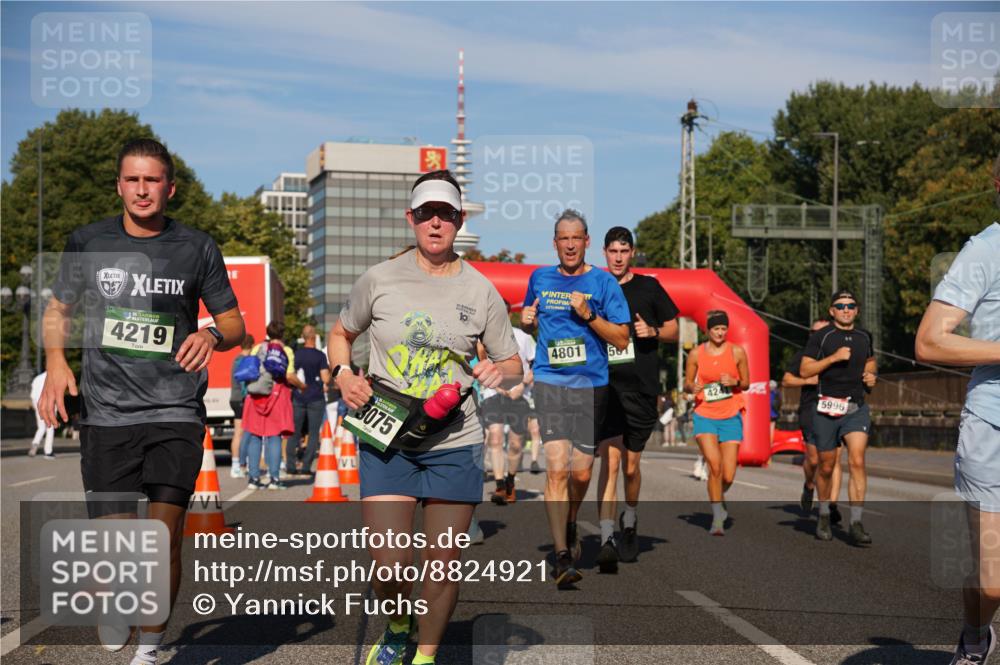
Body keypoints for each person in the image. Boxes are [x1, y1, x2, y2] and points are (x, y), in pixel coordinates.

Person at [38, 138, 245, 665]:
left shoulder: (197, 247)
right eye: (132, 179)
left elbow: (234, 324)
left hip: (174, 409)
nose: (142, 189)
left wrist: (212, 337)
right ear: (119, 186)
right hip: (107, 413)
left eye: (152, 180)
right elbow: (57, 309)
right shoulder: (87, 241)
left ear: (169, 188)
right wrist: (58, 363)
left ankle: (150, 650)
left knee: (161, 539)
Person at [329, 169, 521, 665]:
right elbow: (340, 334)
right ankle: (397, 624)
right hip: (386, 434)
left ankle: (424, 656)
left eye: (447, 214)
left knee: (440, 567)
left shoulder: (481, 290)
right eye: (426, 214)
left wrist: (495, 370)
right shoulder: (380, 278)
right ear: (410, 218)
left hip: (455, 441)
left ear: (459, 221)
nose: (436, 223)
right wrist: (343, 375)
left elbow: (513, 363)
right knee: (389, 565)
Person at [915, 152, 1000, 665]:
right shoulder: (985, 251)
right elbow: (929, 342)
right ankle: (975, 633)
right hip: (993, 425)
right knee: (993, 586)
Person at [520, 209, 630, 588]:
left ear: (586, 241)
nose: (570, 244)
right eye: (563, 238)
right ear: (555, 243)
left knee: (581, 472)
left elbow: (621, 339)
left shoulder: (603, 284)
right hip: (550, 381)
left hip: (591, 385)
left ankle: (570, 519)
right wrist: (528, 322)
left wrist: (588, 317)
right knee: (555, 468)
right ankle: (562, 554)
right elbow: (530, 319)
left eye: (576, 237)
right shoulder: (539, 277)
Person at [595, 226, 679, 572]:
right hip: (605, 386)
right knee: (610, 463)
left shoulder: (649, 287)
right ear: (604, 253)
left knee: (631, 467)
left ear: (632, 253)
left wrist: (653, 331)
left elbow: (676, 329)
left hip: (641, 389)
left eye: (623, 251)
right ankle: (606, 537)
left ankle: (630, 516)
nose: (617, 257)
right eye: (612, 251)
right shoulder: (594, 287)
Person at [800, 291, 877, 545]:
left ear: (856, 310)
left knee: (857, 461)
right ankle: (823, 514)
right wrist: (833, 358)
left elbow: (871, 361)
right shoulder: (822, 337)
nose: (846, 309)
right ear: (832, 311)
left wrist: (870, 375)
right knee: (826, 466)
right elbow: (805, 369)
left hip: (856, 408)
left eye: (851, 305)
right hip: (826, 408)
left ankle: (856, 522)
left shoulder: (864, 336)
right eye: (840, 306)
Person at [684, 310, 750, 536]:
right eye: (716, 329)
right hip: (705, 414)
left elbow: (747, 383)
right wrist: (692, 387)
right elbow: (686, 383)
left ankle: (718, 497)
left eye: (723, 329)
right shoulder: (696, 354)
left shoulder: (737, 352)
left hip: (730, 414)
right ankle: (717, 517)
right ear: (708, 330)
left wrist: (734, 381)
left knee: (728, 475)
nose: (720, 333)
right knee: (714, 465)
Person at [782, 319, 843, 525]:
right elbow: (787, 380)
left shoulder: (841, 354)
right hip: (810, 410)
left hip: (836, 408)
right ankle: (809, 485)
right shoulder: (804, 356)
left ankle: (832, 505)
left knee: (834, 459)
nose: (818, 335)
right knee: (815, 460)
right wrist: (808, 380)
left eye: (823, 331)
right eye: (813, 332)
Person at [481, 302, 536, 505]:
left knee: (515, 443)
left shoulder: (523, 337)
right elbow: (479, 366)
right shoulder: (483, 339)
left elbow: (536, 364)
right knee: (494, 438)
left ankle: (510, 482)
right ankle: (499, 485)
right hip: (493, 394)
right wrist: (497, 387)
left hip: (519, 396)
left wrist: (522, 385)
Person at [242, 321, 305, 490]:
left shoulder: (257, 348)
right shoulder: (287, 351)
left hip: (256, 395)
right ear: (283, 334)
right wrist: (302, 386)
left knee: (255, 436)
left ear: (268, 332)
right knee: (274, 436)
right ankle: (274, 478)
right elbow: (289, 375)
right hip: (277, 396)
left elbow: (250, 368)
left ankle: (254, 478)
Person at [287, 324, 330, 476]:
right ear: (314, 337)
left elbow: (290, 376)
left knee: (294, 432)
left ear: (303, 337)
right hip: (316, 398)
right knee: (312, 434)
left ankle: (291, 466)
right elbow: (325, 378)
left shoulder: (296, 354)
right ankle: (306, 466)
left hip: (298, 397)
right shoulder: (320, 356)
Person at [228, 334, 255, 478]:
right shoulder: (248, 361)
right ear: (252, 345)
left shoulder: (236, 360)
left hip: (234, 398)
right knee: (244, 433)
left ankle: (235, 464)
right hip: (243, 400)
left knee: (237, 433)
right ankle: (243, 464)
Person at [29, 371, 56, 459]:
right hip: (49, 405)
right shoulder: (54, 377)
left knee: (41, 427)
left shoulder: (37, 379)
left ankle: (35, 443)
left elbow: (32, 396)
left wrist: (36, 407)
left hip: (38, 405)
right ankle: (48, 452)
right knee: (50, 427)